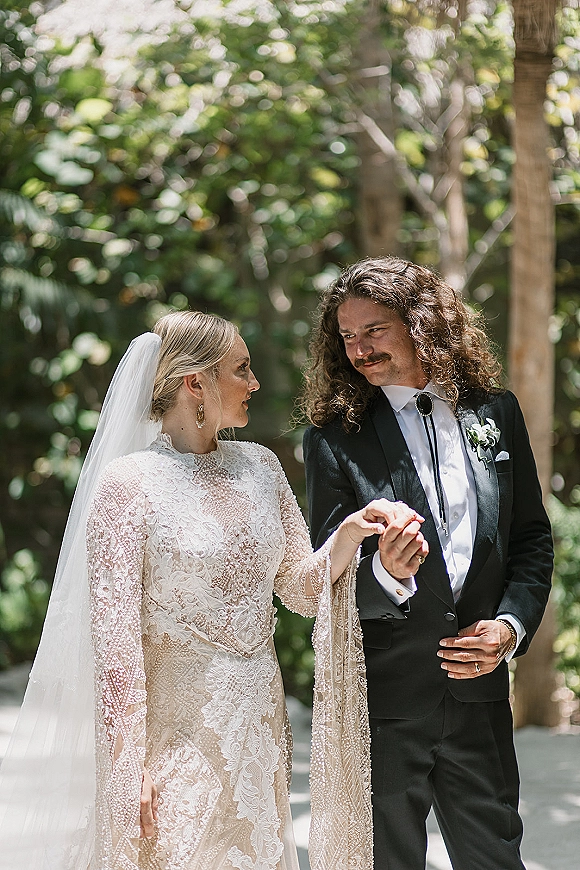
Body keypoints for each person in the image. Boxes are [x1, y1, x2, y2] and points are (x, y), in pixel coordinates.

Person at [0, 309, 404, 870]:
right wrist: (127, 766)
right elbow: (116, 646)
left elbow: (303, 589)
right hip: (174, 744)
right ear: (197, 383)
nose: (255, 384)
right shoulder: (127, 486)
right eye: (241, 369)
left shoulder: (262, 467)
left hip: (259, 733)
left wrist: (349, 535)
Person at [302, 256, 553, 870]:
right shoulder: (333, 437)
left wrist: (509, 629)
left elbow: (529, 538)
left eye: (374, 331)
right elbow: (323, 572)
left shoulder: (496, 413)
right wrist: (385, 572)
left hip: (480, 695)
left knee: (496, 858)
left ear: (421, 323)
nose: (359, 350)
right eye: (347, 337)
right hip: (386, 700)